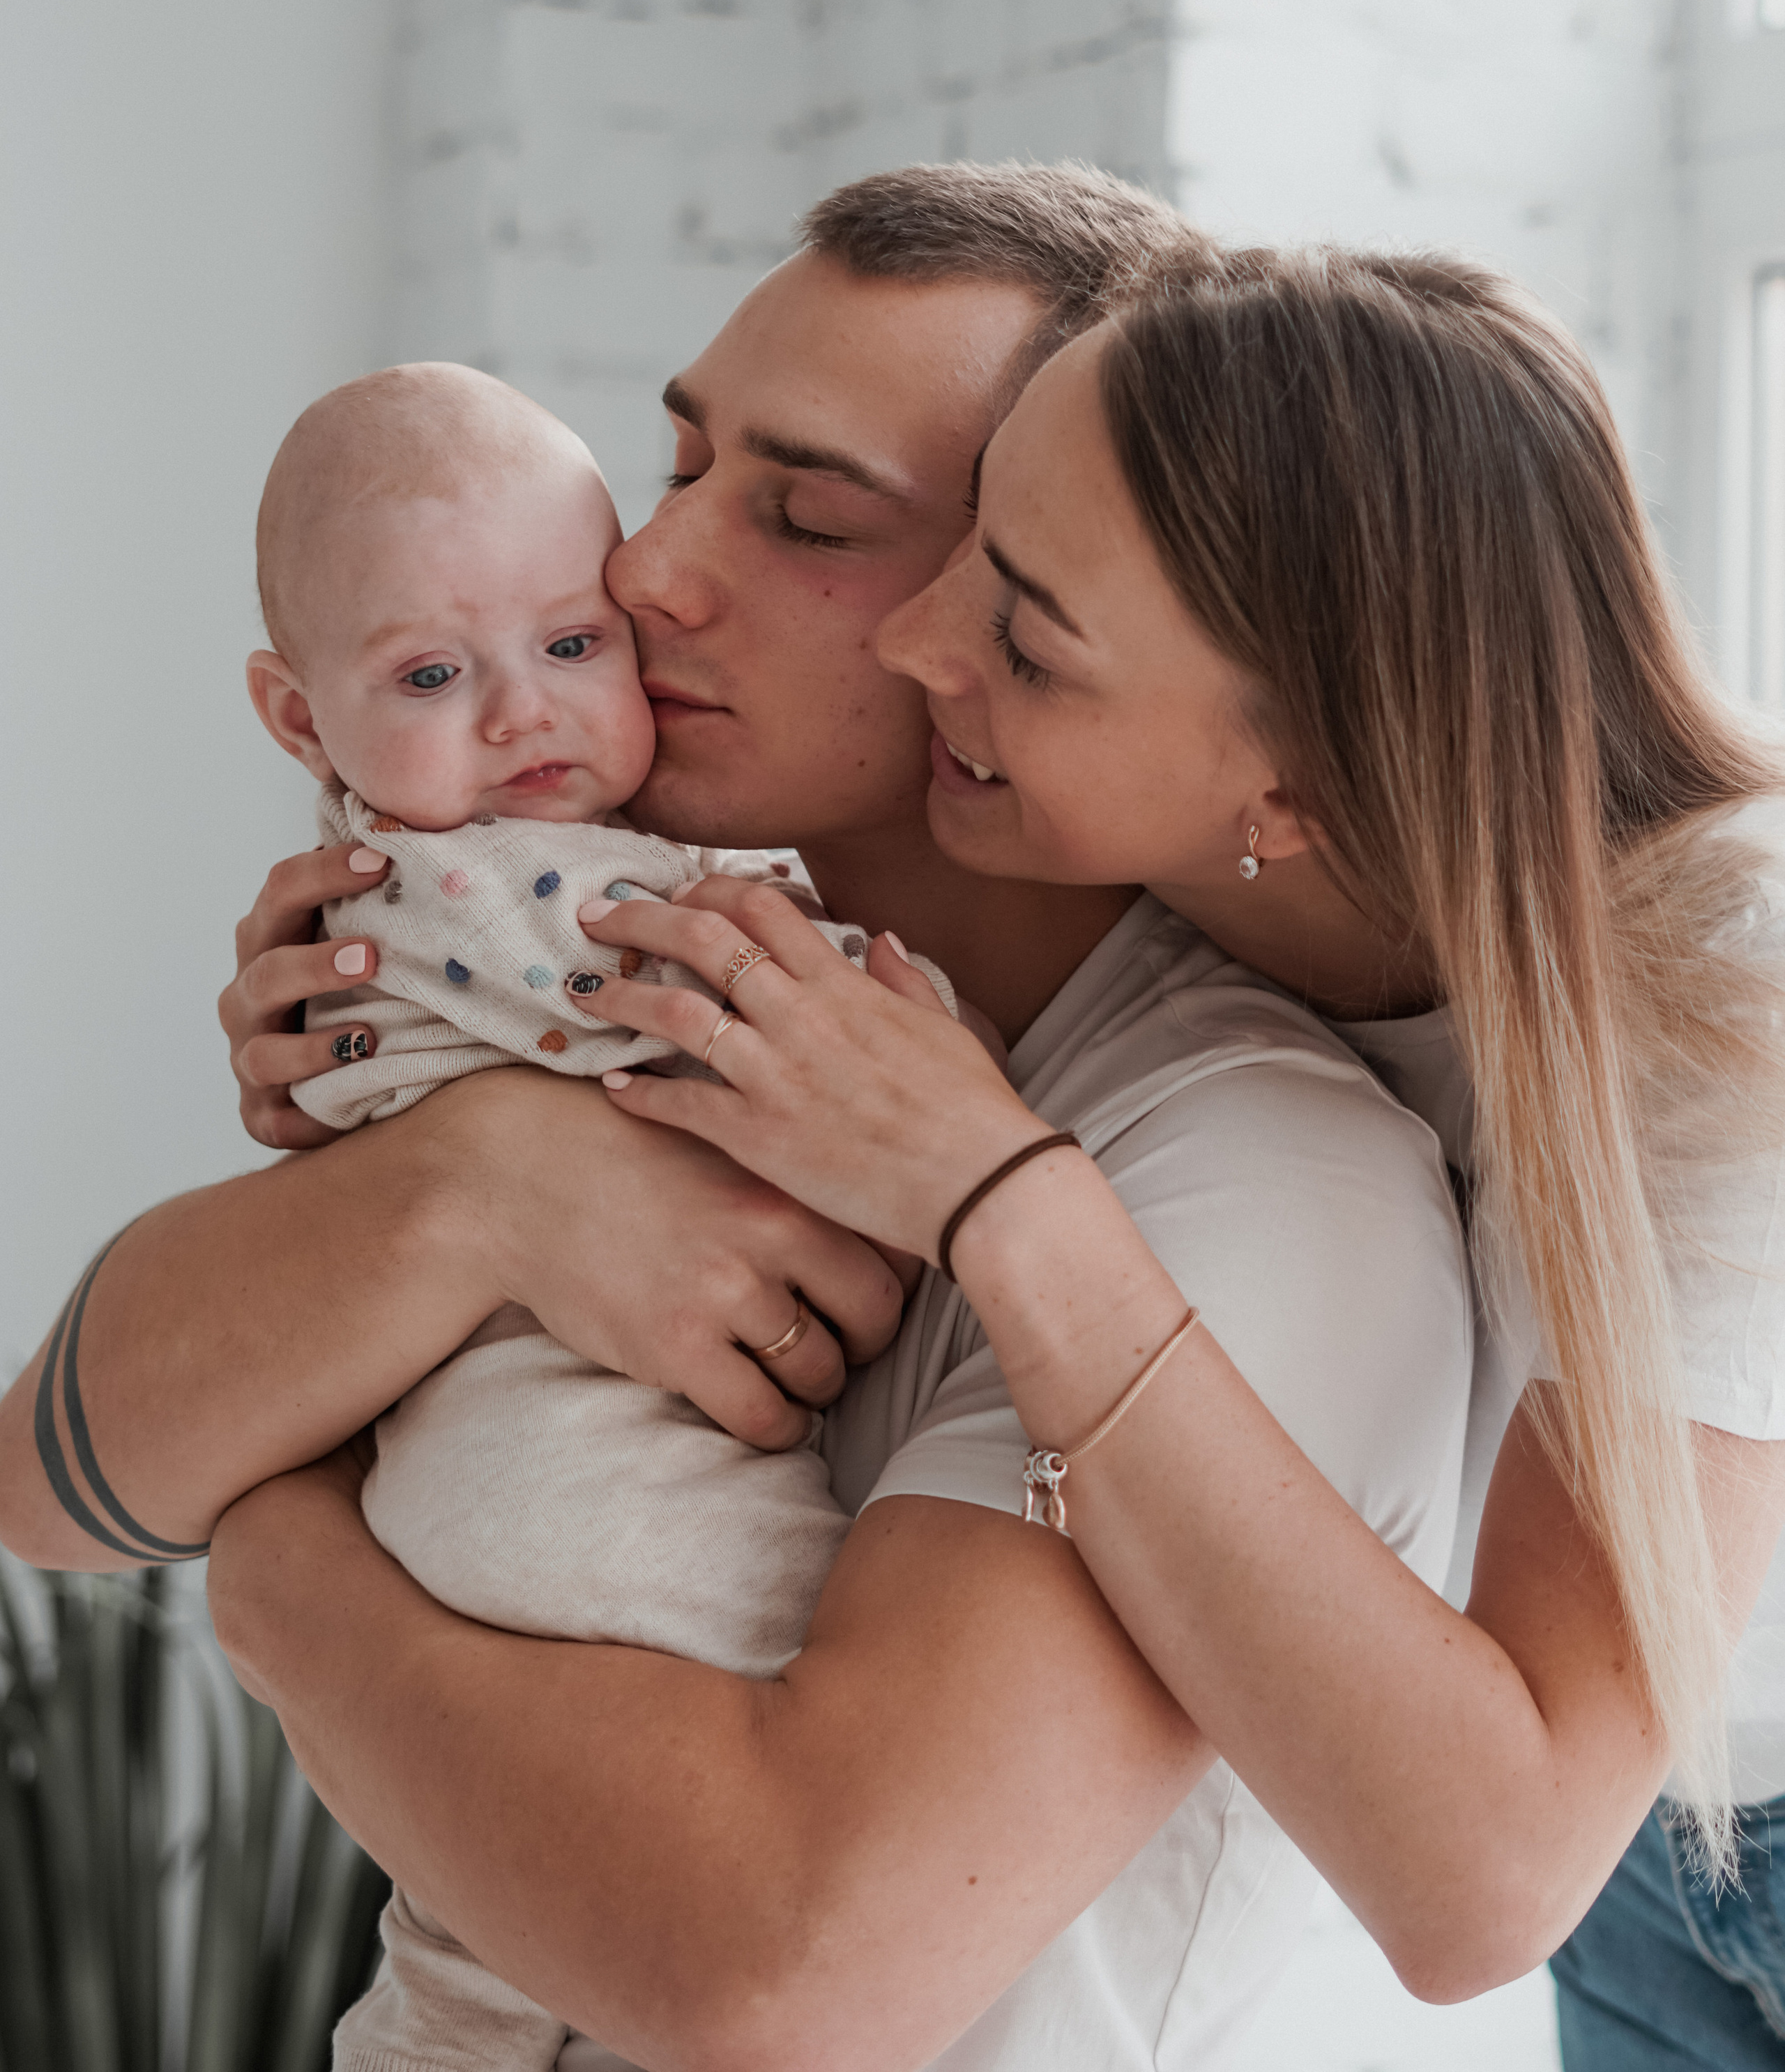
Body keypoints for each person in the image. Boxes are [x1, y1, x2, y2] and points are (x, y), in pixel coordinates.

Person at [0, 163, 1474, 2072]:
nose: (646, 571)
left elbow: (779, 1975)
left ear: (1023, 601)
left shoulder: (1241, 1171)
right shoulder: (625, 1001)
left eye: (806, 519)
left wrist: (285, 1579)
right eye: (679, 464)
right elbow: (54, 1478)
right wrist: (482, 1185)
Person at [563, 236, 1785, 2069]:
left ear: (1291, 793)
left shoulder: (1722, 1004)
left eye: (1027, 640)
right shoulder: (1231, 894)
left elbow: (1486, 1874)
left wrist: (999, 1203)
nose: (917, 647)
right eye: (969, 548)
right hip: (1653, 1868)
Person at [241, 356, 952, 2072]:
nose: (520, 717)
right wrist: (914, 1016)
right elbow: (701, 995)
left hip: (483, 1495)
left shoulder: (370, 896)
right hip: (588, 1502)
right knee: (760, 1791)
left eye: (571, 646)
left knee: (478, 1952)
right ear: (296, 717)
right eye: (429, 673)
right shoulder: (488, 884)